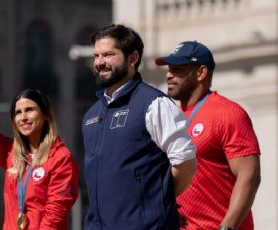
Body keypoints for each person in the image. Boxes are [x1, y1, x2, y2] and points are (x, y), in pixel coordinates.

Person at [82, 24, 197, 229]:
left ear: (132, 58)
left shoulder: (154, 104)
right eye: (96, 56)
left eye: (108, 55)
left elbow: (185, 163)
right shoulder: (91, 115)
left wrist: (154, 204)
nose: (99, 63)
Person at [0, 66, 79, 230]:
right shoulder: (12, 152)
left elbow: (55, 216)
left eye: (30, 110)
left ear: (46, 115)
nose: (23, 117)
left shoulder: (61, 158)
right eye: (18, 113)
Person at [155, 41, 261, 230]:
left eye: (178, 69)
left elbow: (249, 177)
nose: (169, 74)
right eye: (169, 69)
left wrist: (227, 228)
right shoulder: (171, 117)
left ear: (201, 73)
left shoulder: (228, 113)